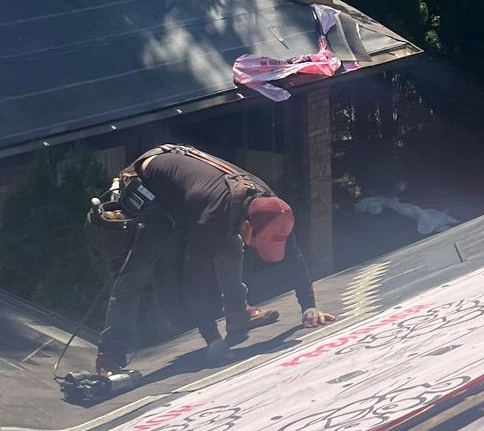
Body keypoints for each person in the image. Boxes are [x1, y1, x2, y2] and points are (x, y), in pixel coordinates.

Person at [93, 143, 334, 374]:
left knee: (230, 242)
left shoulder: (272, 208)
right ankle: (111, 353)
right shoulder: (212, 218)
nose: (256, 249)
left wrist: (309, 306)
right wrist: (213, 339)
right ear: (248, 224)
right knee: (137, 271)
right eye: (257, 241)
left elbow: (295, 254)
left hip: (192, 189)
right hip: (149, 186)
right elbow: (195, 280)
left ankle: (237, 314)